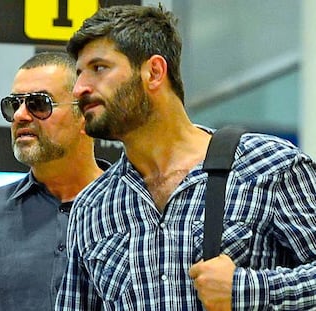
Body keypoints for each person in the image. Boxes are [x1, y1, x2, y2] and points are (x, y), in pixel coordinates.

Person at [56, 4, 316, 311]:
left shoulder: (268, 167)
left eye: (99, 68)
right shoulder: (92, 207)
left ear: (154, 72)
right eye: (79, 74)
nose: (79, 89)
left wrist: (248, 290)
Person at [0, 51, 109, 311]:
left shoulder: (131, 207)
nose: (20, 116)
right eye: (14, 105)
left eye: (38, 104)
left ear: (84, 115)